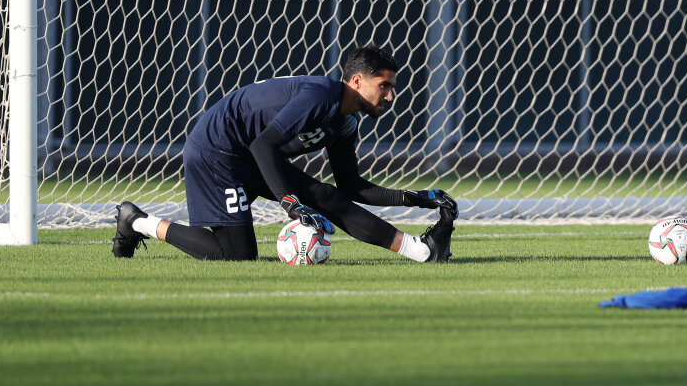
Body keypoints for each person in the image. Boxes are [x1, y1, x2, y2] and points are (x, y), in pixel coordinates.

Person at [112, 45, 457, 263]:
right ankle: (137, 221)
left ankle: (419, 250)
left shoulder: (347, 122)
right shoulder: (321, 96)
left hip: (251, 153)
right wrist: (290, 202)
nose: (391, 96)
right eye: (384, 86)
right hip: (218, 150)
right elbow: (264, 145)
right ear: (356, 81)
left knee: (327, 197)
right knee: (235, 254)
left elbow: (351, 188)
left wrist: (416, 197)